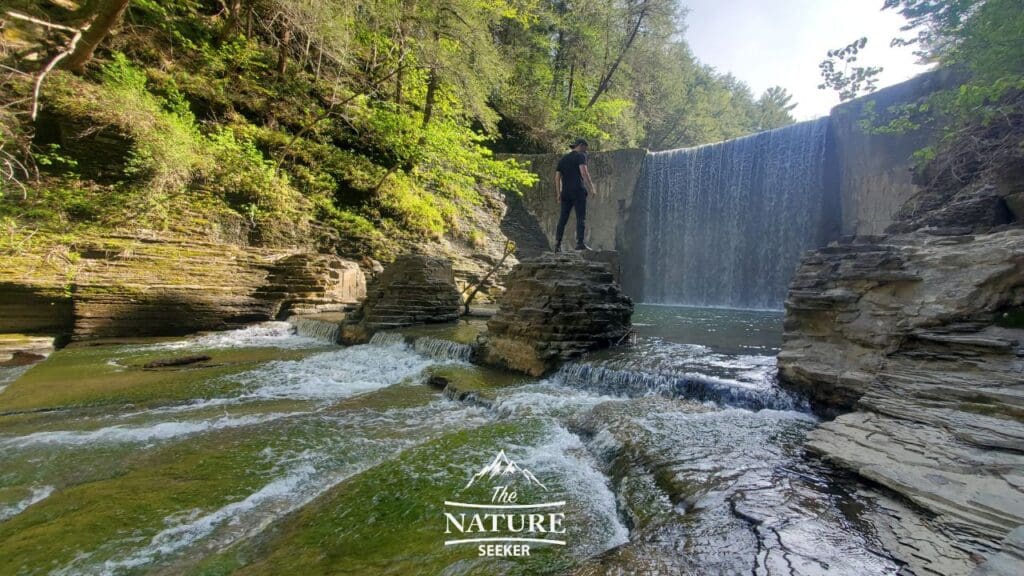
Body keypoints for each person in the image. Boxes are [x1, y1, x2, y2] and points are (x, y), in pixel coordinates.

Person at [554, 138, 597, 251]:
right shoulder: (580, 156)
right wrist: (592, 187)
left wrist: (559, 193)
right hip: (578, 191)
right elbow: (584, 172)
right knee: (580, 217)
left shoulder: (563, 159)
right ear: (581, 145)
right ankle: (580, 243)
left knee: (563, 218)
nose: (585, 151)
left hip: (566, 193)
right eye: (585, 148)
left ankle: (557, 245)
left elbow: (557, 177)